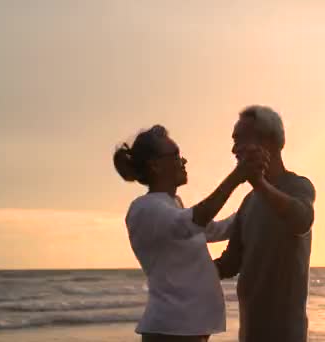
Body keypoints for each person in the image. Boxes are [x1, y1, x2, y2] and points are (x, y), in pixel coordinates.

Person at [113, 124, 267, 342]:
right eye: (176, 155)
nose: (183, 161)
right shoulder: (144, 208)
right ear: (155, 165)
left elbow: (218, 228)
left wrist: (259, 194)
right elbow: (194, 220)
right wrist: (237, 176)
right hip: (171, 332)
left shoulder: (172, 204)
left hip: (188, 331)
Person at [214, 106, 316, 342]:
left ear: (268, 142)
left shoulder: (297, 186)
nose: (233, 149)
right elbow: (229, 264)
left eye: (240, 140)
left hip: (286, 333)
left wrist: (258, 183)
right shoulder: (249, 202)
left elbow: (301, 220)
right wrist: (182, 268)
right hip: (249, 333)